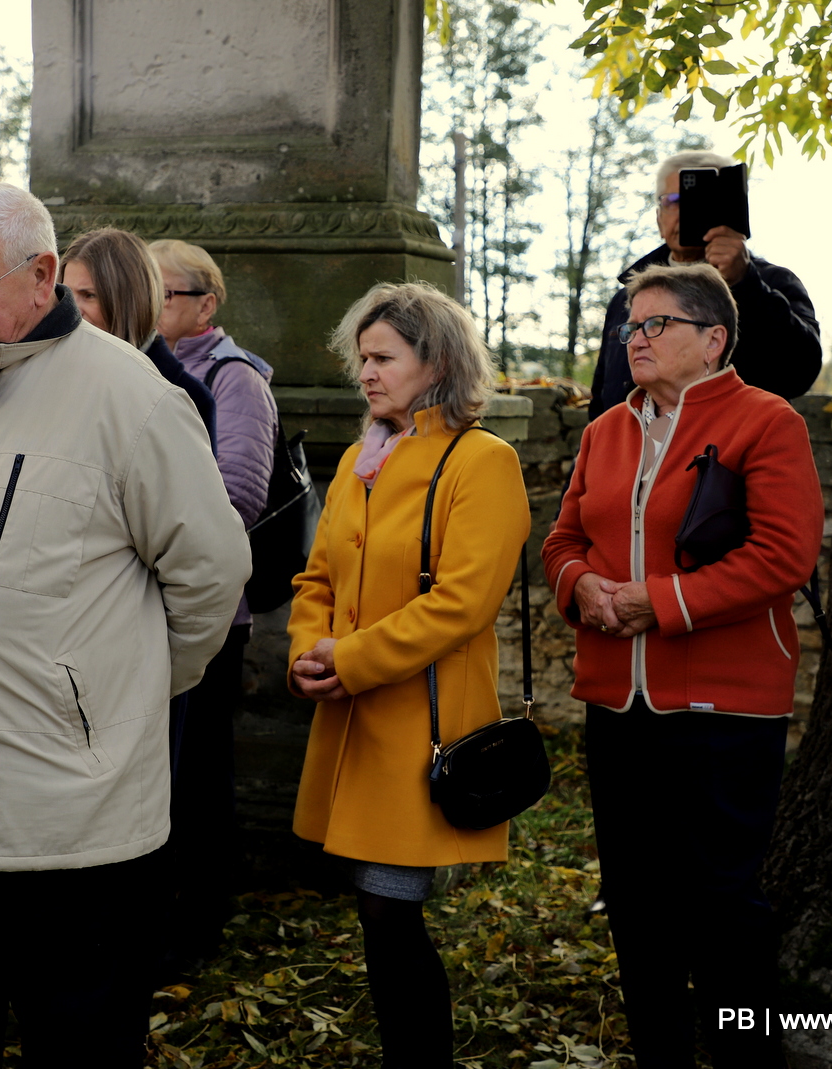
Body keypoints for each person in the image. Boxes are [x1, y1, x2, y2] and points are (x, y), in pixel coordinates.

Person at [0, 179, 248, 1067]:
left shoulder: (134, 397)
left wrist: (109, 699)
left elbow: (211, 572)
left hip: (70, 829)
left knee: (78, 1047)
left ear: (43, 274)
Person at [542, 263, 824, 1067]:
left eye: (655, 324)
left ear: (713, 339)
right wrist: (581, 583)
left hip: (724, 712)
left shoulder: (767, 422)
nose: (635, 338)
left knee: (721, 907)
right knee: (635, 904)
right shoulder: (604, 430)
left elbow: (783, 555)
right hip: (615, 706)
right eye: (630, 325)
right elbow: (561, 541)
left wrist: (656, 602)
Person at [288, 281, 530, 1067]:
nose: (366, 372)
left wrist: (349, 661)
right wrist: (306, 648)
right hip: (352, 727)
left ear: (437, 364)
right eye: (361, 358)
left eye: (383, 357)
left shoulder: (482, 461)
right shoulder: (366, 457)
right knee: (377, 920)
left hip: (420, 734)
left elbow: (462, 603)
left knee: (390, 918)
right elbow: (316, 578)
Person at [149, 237, 281, 968]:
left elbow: (238, 498)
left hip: (206, 616)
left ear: (207, 303)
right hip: (135, 613)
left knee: (197, 774)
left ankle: (197, 924)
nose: (156, 303)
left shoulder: (234, 380)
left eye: (168, 292)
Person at [588, 150, 822, 421]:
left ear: (726, 209)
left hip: (727, 455)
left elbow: (799, 374)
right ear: (658, 218)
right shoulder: (626, 298)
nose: (686, 210)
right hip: (631, 458)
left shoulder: (773, 283)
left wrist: (744, 283)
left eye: (699, 199)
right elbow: (602, 399)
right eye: (673, 200)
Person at [58, 227, 217, 446]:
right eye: (67, 294)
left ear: (129, 302)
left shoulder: (185, 397)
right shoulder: (47, 376)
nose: (73, 309)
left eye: (89, 295)